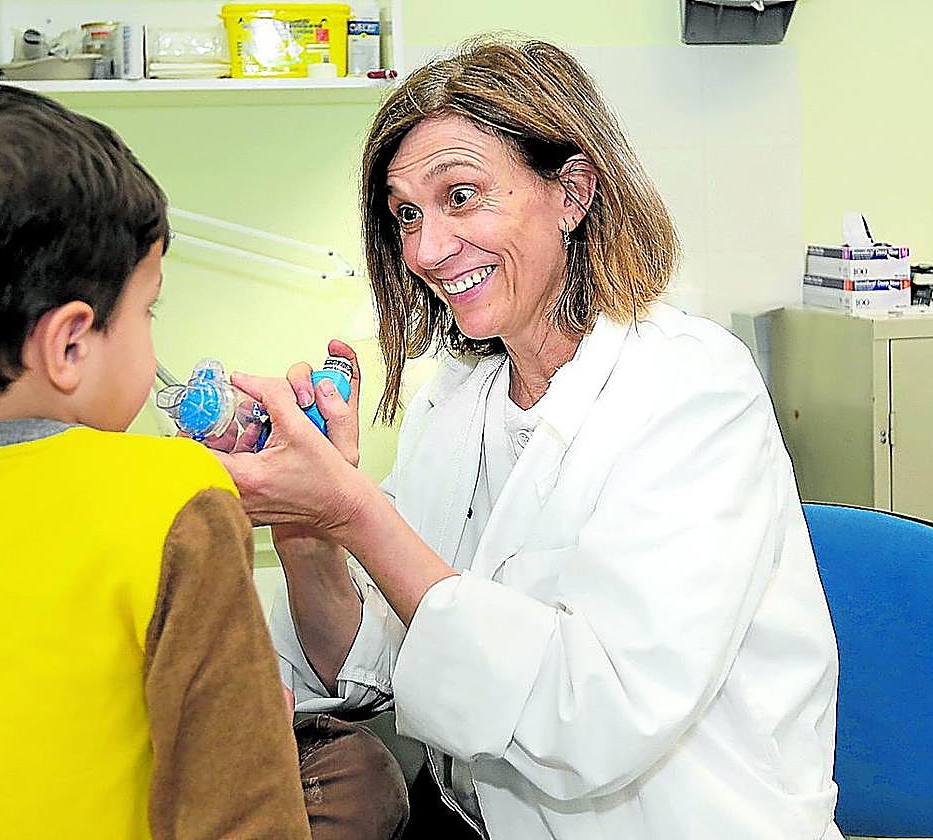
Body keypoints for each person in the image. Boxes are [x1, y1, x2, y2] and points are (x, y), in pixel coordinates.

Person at [215, 39, 844, 839]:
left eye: (462, 196)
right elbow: (372, 667)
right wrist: (310, 533)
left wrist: (356, 514)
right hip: (472, 817)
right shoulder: (461, 396)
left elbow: (591, 722)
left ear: (572, 192)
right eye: (406, 214)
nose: (426, 250)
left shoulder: (691, 390)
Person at [0, 81, 407, 840]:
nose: (151, 334)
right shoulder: (173, 496)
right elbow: (240, 812)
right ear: (71, 344)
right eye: (148, 309)